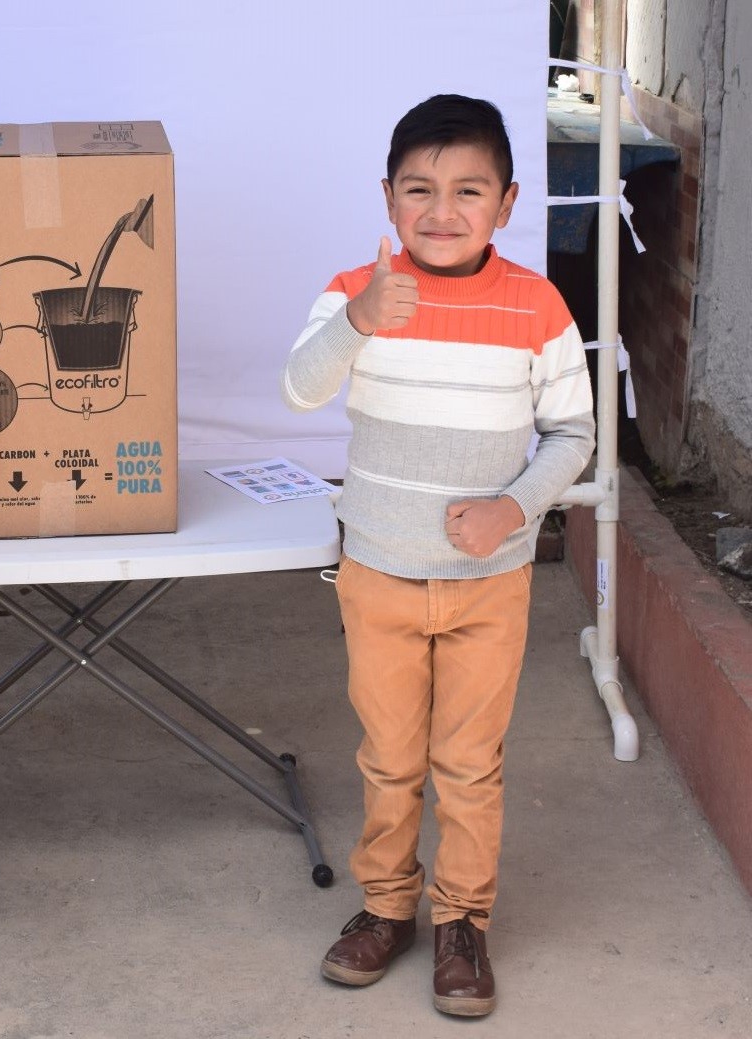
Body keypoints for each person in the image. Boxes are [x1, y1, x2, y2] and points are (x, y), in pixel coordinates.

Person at [281, 95, 595, 1017]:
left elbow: (571, 433)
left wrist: (512, 506)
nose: (441, 210)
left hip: (485, 585)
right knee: (387, 754)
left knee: (467, 759)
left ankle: (462, 920)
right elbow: (299, 388)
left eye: (467, 191)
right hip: (378, 575)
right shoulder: (356, 291)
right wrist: (361, 318)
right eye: (418, 189)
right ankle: (386, 906)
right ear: (387, 198)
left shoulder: (534, 304)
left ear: (505, 203)